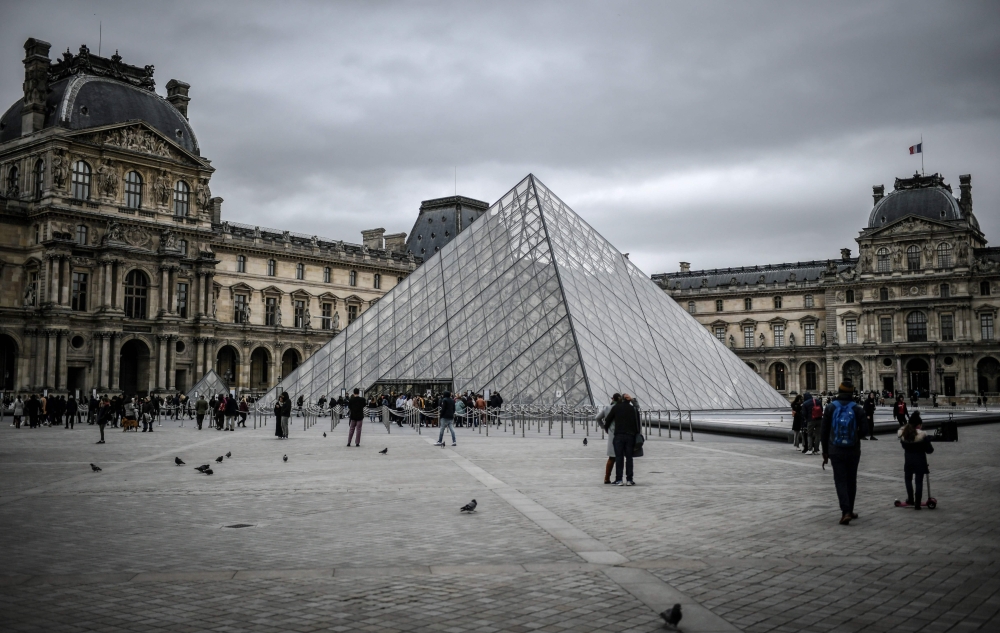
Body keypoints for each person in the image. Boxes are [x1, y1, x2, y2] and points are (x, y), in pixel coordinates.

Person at [821, 380, 866, 525]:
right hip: (853, 450)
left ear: (839, 391)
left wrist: (825, 451)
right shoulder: (858, 408)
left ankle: (845, 511)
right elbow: (865, 431)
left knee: (840, 480)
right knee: (851, 480)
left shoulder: (830, 407)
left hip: (835, 449)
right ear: (852, 392)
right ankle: (850, 510)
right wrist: (854, 437)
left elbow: (824, 432)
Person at [898, 412, 934, 509]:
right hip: (920, 461)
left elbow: (903, 446)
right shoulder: (923, 436)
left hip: (908, 460)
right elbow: (930, 450)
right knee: (919, 481)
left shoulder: (904, 435)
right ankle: (917, 504)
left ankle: (910, 499)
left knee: (908, 479)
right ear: (918, 425)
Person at [604, 392, 639, 486]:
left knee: (619, 458)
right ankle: (629, 480)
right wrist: (632, 399)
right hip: (630, 436)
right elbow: (637, 410)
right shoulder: (633, 409)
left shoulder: (616, 407)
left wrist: (607, 429)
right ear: (629, 400)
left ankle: (619, 480)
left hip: (618, 435)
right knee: (629, 458)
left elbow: (608, 420)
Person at [596, 394, 621, 484]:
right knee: (620, 457)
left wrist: (604, 427)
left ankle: (607, 478)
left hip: (612, 434)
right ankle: (619, 478)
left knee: (611, 457)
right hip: (622, 434)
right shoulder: (621, 407)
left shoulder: (607, 408)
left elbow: (597, 417)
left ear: (612, 399)